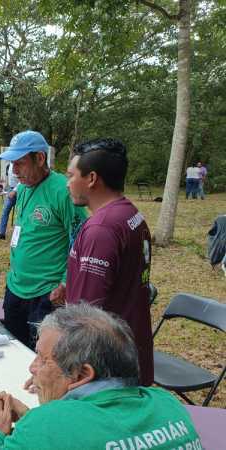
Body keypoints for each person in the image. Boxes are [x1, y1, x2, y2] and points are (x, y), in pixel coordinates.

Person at [0, 304, 201, 450]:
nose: (32, 368)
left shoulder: (49, 426)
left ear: (82, 374)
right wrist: (31, 419)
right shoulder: (168, 404)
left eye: (43, 359)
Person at [65, 138, 154, 386]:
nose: (67, 184)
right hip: (129, 349)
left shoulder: (101, 229)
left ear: (91, 179)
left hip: (104, 366)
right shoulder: (131, 214)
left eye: (71, 176)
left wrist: (61, 371)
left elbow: (85, 316)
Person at [0, 130, 87, 349]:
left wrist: (66, 282)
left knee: (41, 355)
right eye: (11, 165)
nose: (15, 172)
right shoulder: (24, 187)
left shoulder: (62, 191)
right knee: (14, 349)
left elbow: (81, 239)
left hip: (46, 293)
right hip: (15, 287)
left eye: (20, 163)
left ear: (40, 158)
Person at [0, 162, 19, 240]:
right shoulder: (8, 166)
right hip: (10, 190)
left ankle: (17, 235)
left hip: (21, 190)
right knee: (5, 210)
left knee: (19, 213)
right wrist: (5, 189)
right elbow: (8, 180)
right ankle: (1, 234)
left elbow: (24, 180)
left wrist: (15, 191)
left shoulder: (20, 164)